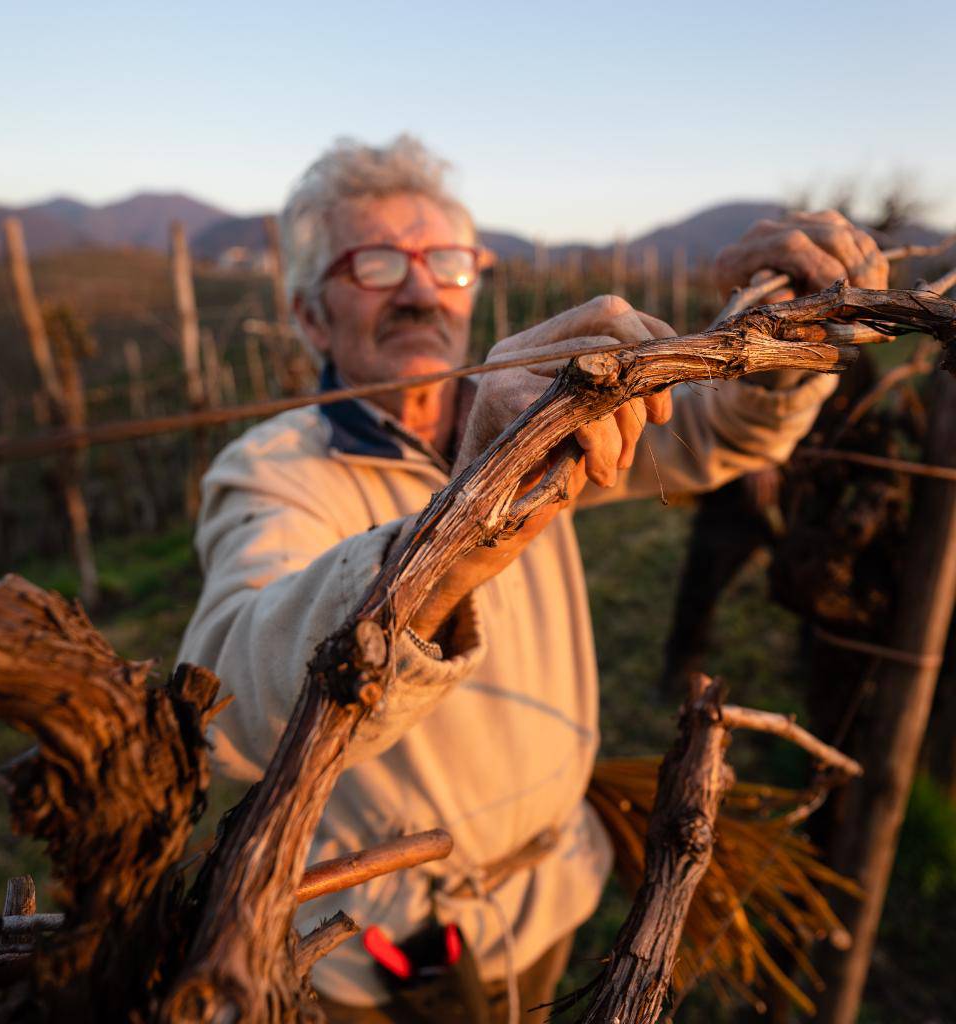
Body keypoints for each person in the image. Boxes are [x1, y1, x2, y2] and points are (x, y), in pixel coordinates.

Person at [178, 136, 888, 1022]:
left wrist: (792, 334)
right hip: (385, 951)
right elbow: (231, 707)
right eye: (375, 264)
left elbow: (715, 435)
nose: (420, 287)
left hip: (554, 895)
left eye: (446, 261)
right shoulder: (275, 470)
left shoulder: (536, 405)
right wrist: (468, 511)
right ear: (310, 316)